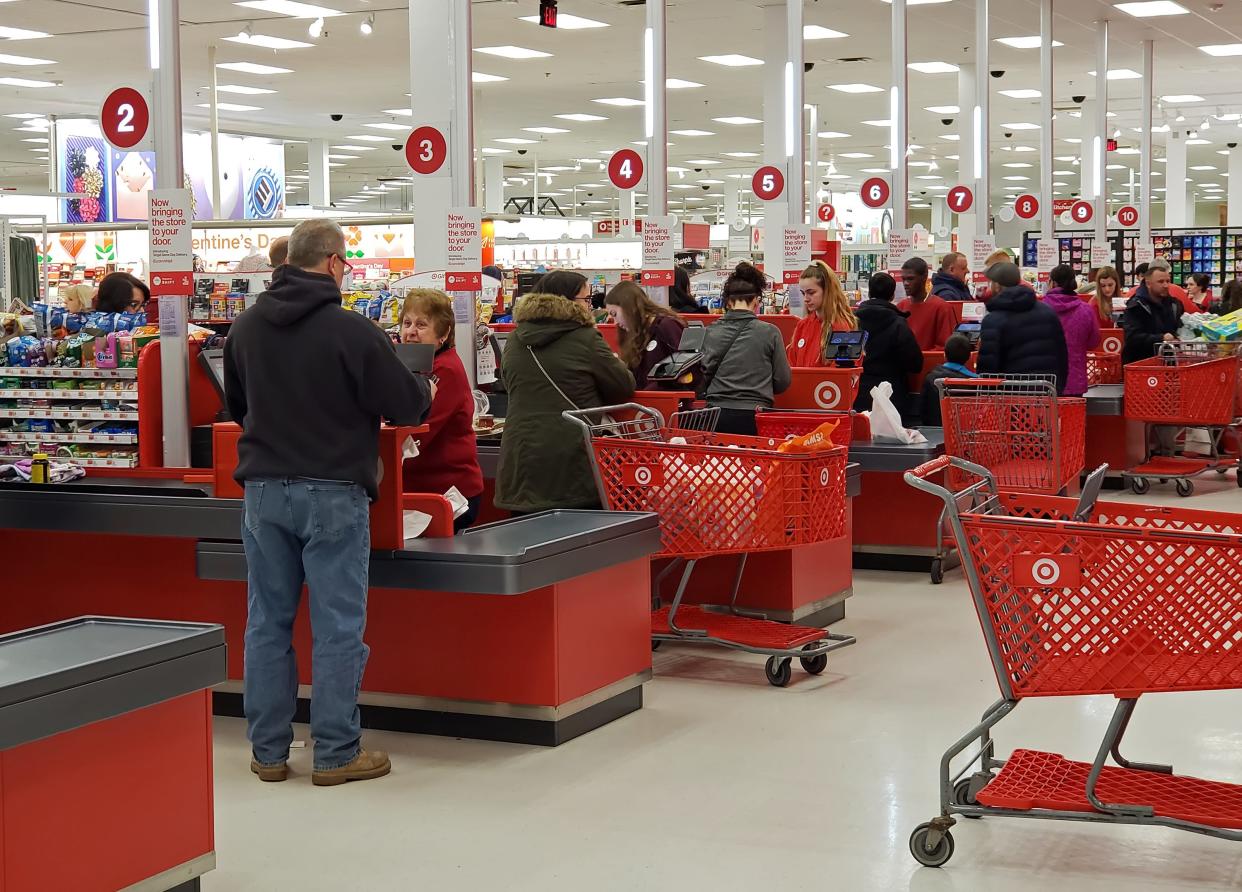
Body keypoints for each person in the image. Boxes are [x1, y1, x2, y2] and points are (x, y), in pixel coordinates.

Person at [223, 218, 434, 787]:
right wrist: (423, 379)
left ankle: (268, 752)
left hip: (263, 492)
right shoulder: (352, 331)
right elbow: (407, 407)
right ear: (336, 263)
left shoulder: (244, 328)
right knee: (337, 625)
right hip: (334, 493)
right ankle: (337, 752)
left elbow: (238, 408)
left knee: (266, 621)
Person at [496, 278, 635, 514]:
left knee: (528, 543)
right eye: (586, 299)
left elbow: (510, 385)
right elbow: (623, 386)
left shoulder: (514, 339)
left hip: (521, 460)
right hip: (573, 461)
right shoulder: (586, 338)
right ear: (568, 300)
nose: (590, 306)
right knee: (578, 544)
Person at [399, 289, 485, 532]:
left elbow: (418, 430)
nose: (411, 332)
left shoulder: (445, 370)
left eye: (422, 324)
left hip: (448, 494)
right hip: (418, 492)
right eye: (407, 323)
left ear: (444, 334)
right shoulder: (409, 366)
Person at [700, 262, 791, 435]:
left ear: (727, 300)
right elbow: (782, 381)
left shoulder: (710, 331)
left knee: (720, 462)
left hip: (716, 415)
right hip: (756, 415)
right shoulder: (770, 332)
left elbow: (703, 375)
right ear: (757, 299)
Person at [976, 261, 1069, 393]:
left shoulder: (993, 320)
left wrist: (985, 395)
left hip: (1011, 398)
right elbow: (1062, 355)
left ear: (997, 285)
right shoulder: (1048, 312)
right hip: (1046, 395)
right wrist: (1058, 388)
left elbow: (988, 368)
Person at [854, 272, 924, 422]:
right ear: (892, 296)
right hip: (891, 396)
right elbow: (915, 363)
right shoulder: (898, 323)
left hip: (858, 392)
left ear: (869, 292)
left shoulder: (852, 321)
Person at [604, 280, 686, 389]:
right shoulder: (634, 334)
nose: (615, 322)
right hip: (644, 401)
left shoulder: (667, 326)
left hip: (667, 401)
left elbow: (685, 369)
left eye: (614, 314)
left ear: (630, 308)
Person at [1044, 264, 1101, 398]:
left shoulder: (1040, 309)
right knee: (1073, 418)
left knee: (1047, 419)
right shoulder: (1086, 310)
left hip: (1046, 380)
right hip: (1075, 378)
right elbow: (1094, 341)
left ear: (1053, 283)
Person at [786, 261, 857, 367]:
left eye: (811, 293)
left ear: (827, 291)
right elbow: (791, 364)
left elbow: (841, 376)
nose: (805, 299)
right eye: (803, 293)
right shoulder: (803, 325)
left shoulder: (841, 327)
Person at [1121, 259, 1180, 365]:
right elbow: (1132, 338)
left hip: (1169, 366)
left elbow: (1179, 328)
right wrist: (1161, 338)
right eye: (1161, 282)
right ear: (1148, 283)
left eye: (1168, 281)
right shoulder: (1136, 306)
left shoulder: (1174, 304)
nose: (1166, 285)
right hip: (1141, 366)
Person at [897, 257, 956, 350]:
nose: (906, 283)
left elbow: (945, 347)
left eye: (910, 279)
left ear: (924, 277)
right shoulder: (901, 307)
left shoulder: (942, 308)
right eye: (903, 279)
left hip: (931, 363)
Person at [919, 333, 978, 427]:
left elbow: (923, 409)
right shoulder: (977, 383)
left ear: (944, 355)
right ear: (969, 357)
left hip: (934, 431)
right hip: (964, 433)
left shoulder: (931, 378)